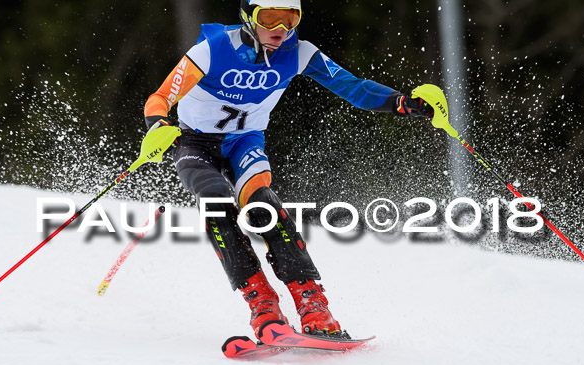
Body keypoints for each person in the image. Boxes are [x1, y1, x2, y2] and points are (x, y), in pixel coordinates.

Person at [144, 0, 433, 339]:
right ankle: (262, 304)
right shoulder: (212, 50)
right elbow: (159, 98)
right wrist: (158, 125)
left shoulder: (300, 53)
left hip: (243, 142)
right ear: (248, 17)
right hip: (195, 142)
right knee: (214, 199)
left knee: (262, 202)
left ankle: (312, 303)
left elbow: (354, 89)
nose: (280, 29)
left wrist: (403, 102)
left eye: (290, 19)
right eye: (269, 18)